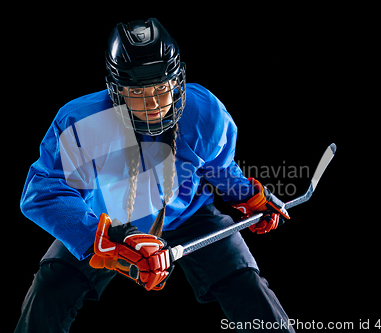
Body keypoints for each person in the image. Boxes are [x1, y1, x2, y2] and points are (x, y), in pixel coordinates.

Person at [15, 18, 295, 332]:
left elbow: (219, 167)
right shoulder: (84, 123)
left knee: (246, 284)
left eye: (161, 88)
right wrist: (111, 240)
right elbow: (44, 190)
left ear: (177, 82)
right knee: (50, 287)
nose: (153, 103)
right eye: (137, 91)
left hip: (189, 216)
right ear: (117, 89)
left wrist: (249, 196)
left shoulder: (204, 113)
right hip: (106, 222)